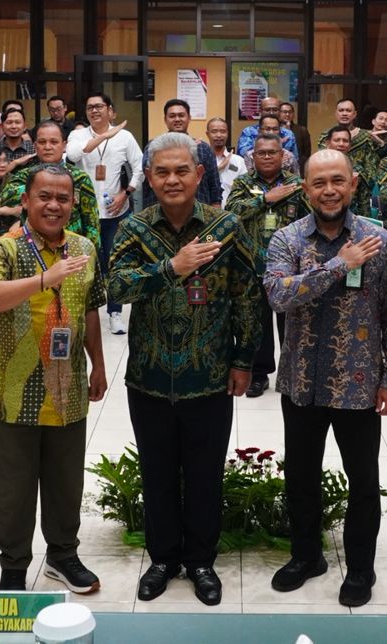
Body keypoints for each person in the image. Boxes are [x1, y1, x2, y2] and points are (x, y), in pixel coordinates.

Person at [110, 133, 258, 606]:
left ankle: (200, 561)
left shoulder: (226, 227)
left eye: (180, 171)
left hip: (209, 377)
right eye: (162, 172)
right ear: (148, 178)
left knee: (204, 475)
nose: (171, 180)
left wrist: (243, 360)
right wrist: (170, 268)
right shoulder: (135, 228)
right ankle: (162, 560)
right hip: (149, 378)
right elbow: (116, 286)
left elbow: (247, 296)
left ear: (198, 174)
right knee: (156, 473)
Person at [264, 149, 387, 608]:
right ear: (305, 188)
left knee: (362, 481)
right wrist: (339, 265)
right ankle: (307, 556)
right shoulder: (287, 239)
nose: (329, 190)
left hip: (358, 384)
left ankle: (361, 567)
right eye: (319, 182)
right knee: (300, 476)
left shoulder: (379, 239)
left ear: (353, 183)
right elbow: (278, 295)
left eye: (337, 181)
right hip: (301, 381)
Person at [0, 164, 107, 593]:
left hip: (68, 387)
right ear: (25, 201)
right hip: (14, 390)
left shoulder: (84, 247)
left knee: (66, 481)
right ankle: (14, 566)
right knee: (13, 487)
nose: (54, 205)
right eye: (44, 197)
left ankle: (63, 556)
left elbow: (90, 308)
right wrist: (44, 279)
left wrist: (99, 363)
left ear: (73, 204)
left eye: (62, 198)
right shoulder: (5, 248)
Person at [226, 132, 308, 398]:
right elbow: (231, 212)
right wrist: (265, 199)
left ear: (283, 155)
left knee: (291, 322)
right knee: (257, 322)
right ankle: (259, 375)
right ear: (253, 156)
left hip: (291, 267)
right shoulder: (243, 182)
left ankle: (292, 372)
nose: (267, 157)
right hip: (253, 264)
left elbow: (311, 217)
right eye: (261, 153)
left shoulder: (296, 184)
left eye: (272, 152)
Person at [66, 91, 144, 335]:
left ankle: (115, 313)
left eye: (99, 106)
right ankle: (81, 312)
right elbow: (72, 156)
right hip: (83, 214)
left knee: (116, 263)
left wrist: (126, 193)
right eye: (90, 107)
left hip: (115, 211)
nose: (94, 110)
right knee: (82, 265)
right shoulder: (77, 135)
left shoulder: (125, 137)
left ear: (110, 110)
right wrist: (104, 137)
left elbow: (140, 167)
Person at [0, 120, 100, 250]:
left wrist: (91, 252)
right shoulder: (24, 175)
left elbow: (91, 221)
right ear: (35, 146)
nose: (47, 147)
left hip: (72, 249)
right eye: (42, 142)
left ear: (64, 145)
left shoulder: (80, 178)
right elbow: (7, 197)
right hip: (31, 248)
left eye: (54, 142)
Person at [141, 99, 223, 207]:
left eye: (181, 115)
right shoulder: (153, 147)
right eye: (172, 116)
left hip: (199, 213)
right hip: (158, 211)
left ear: (189, 118)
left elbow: (214, 186)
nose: (177, 119)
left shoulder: (203, 148)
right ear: (165, 119)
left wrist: (215, 210)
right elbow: (147, 173)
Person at [317, 99, 383, 184]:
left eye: (348, 110)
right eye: (341, 110)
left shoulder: (366, 136)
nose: (344, 113)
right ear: (336, 113)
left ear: (354, 114)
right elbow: (322, 161)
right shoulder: (325, 136)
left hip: (360, 183)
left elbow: (371, 168)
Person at [323, 126, 375, 218]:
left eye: (345, 141)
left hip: (349, 220)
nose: (341, 144)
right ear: (328, 143)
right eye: (337, 140)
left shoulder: (357, 170)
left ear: (350, 145)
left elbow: (364, 203)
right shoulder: (317, 167)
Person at [236, 95, 300, 164]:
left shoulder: (288, 134)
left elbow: (295, 160)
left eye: (275, 110)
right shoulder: (249, 132)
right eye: (267, 110)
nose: (271, 113)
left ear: (280, 112)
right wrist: (273, 144)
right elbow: (243, 154)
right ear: (260, 111)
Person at [208, 117, 246, 198]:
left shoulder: (239, 161)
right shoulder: (201, 159)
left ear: (227, 134)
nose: (219, 135)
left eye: (223, 131)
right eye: (214, 131)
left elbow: (245, 188)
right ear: (207, 134)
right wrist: (217, 169)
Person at [279, 101, 312, 167]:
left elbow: (306, 152)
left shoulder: (301, 130)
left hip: (297, 166)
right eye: (285, 112)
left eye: (290, 112)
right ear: (279, 113)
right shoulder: (275, 129)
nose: (287, 114)